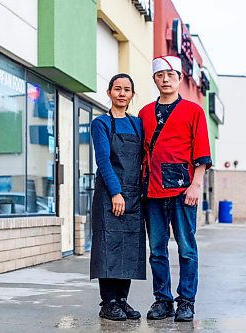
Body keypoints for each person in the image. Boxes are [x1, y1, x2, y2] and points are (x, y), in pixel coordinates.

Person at [138, 56, 212, 322]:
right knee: (157, 249)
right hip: (152, 191)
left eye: (171, 74)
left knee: (186, 248)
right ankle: (162, 300)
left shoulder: (194, 111)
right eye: (160, 75)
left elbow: (202, 150)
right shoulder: (145, 113)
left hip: (183, 191)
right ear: (154, 79)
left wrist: (196, 184)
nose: (166, 79)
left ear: (180, 78)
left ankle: (186, 301)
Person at [90, 73, 146, 321]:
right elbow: (103, 160)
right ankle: (108, 302)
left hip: (134, 195)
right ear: (109, 93)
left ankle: (122, 300)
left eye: (127, 90)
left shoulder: (138, 125)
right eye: (117, 89)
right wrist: (116, 192)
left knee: (129, 248)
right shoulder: (101, 123)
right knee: (108, 247)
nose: (122, 93)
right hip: (109, 194)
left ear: (132, 95)